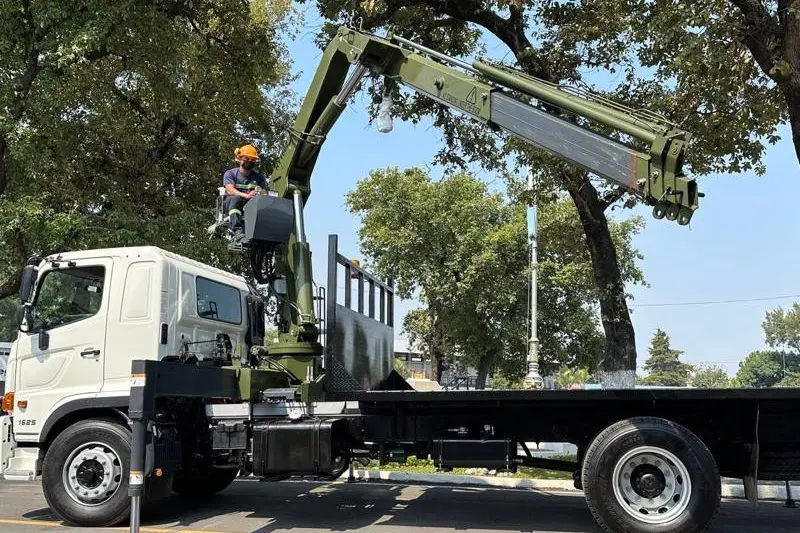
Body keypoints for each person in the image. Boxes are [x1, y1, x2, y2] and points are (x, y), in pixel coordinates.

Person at [223, 144, 268, 239]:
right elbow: (230, 190)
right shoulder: (230, 174)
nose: (249, 162)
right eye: (247, 158)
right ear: (240, 159)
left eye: (252, 160)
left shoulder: (259, 177)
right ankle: (237, 230)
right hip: (231, 204)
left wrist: (258, 194)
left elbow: (264, 193)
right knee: (235, 198)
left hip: (250, 204)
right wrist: (246, 195)